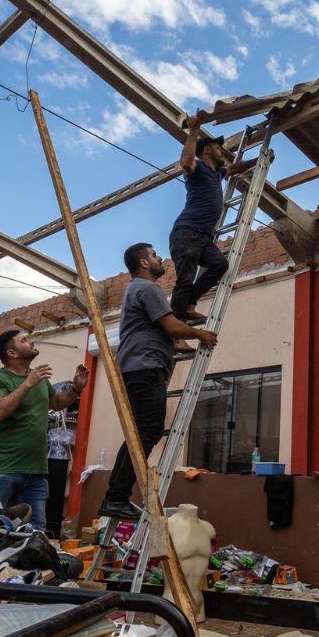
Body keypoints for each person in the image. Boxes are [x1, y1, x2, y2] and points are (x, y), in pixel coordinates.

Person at [99, 242, 218, 519]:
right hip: (144, 367)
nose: (160, 258)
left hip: (141, 366)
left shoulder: (137, 290)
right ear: (143, 263)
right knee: (147, 432)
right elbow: (171, 326)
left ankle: (115, 497)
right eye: (154, 255)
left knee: (143, 432)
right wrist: (200, 334)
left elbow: (165, 330)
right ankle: (115, 497)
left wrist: (178, 342)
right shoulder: (147, 288)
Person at [0, 329, 89, 531]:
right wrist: (28, 384)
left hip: (35, 471)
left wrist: (76, 388)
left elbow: (56, 403)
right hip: (1, 469)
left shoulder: (39, 380)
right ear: (11, 353)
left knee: (35, 533)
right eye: (24, 340)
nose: (31, 341)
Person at [170, 111, 230, 324]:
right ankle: (175, 332)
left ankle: (188, 303)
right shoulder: (197, 168)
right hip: (187, 232)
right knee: (185, 280)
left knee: (220, 265)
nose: (221, 150)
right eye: (217, 147)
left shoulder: (217, 173)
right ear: (207, 149)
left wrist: (260, 160)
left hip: (203, 236)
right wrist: (194, 129)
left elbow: (234, 169)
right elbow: (186, 162)